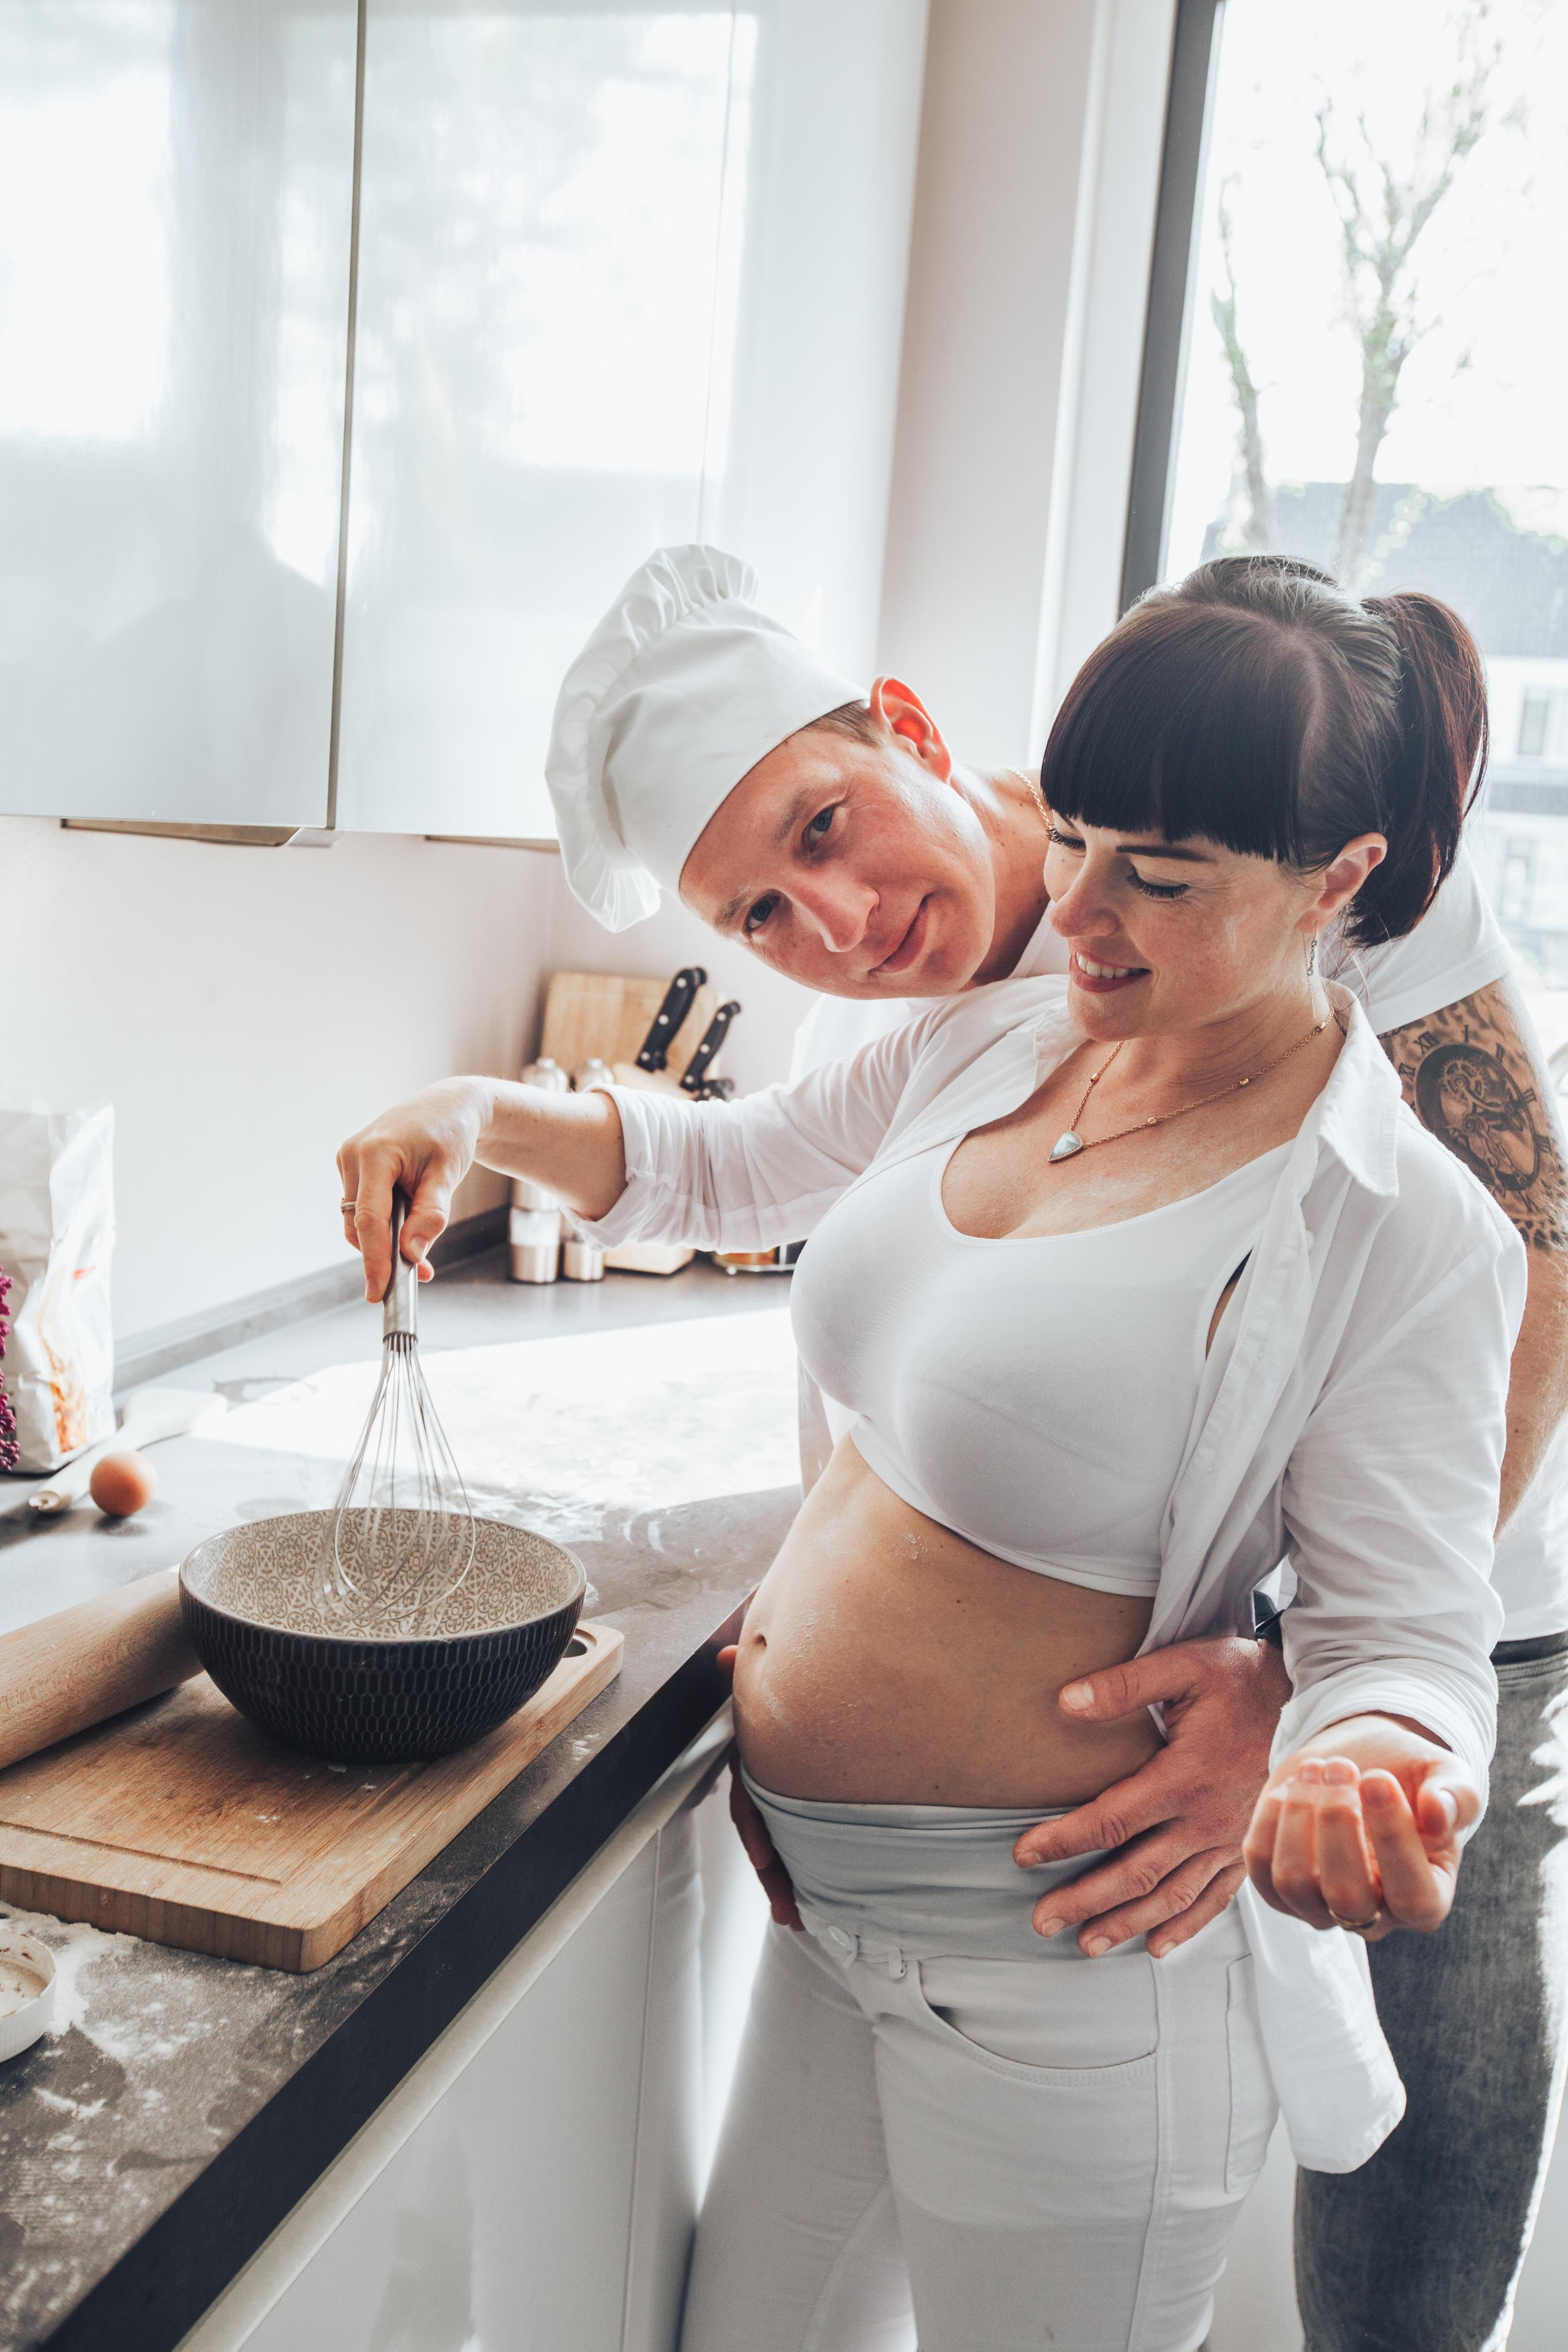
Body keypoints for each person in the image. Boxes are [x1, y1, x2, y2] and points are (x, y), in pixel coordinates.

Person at [341, 558, 1525, 2349]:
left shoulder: (1395, 1219)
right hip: (830, 1927)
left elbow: (1409, 1638)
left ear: (1337, 880)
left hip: (1068, 1976)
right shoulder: (1003, 1036)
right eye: (1078, 846)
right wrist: (474, 1111)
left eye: (1156, 876)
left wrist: (1357, 1746)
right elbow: (728, 1165)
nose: (1080, 909)